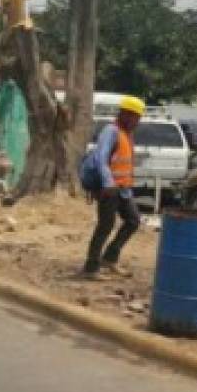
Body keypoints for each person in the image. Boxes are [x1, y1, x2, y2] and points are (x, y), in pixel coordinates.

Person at [82, 95, 145, 278]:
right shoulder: (111, 131)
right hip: (109, 189)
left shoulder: (127, 134)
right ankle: (91, 268)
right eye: (134, 117)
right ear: (125, 114)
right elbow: (101, 158)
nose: (137, 122)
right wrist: (108, 183)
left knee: (133, 221)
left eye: (138, 118)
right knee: (105, 227)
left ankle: (109, 258)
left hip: (123, 190)